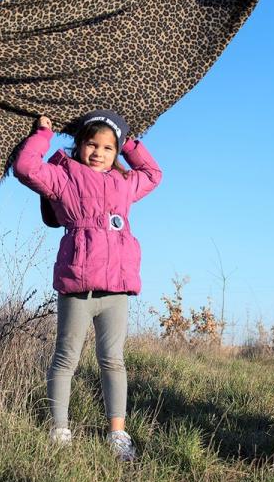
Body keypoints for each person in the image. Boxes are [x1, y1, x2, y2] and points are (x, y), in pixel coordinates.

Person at [12, 109, 162, 461]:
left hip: (117, 290)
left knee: (113, 361)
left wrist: (129, 142)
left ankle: (117, 433)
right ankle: (59, 429)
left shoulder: (124, 184)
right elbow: (25, 167)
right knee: (66, 359)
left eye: (109, 147)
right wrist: (43, 134)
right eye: (92, 144)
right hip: (78, 286)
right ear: (79, 145)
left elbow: (153, 173)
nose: (99, 152)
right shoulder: (63, 178)